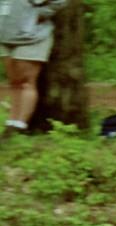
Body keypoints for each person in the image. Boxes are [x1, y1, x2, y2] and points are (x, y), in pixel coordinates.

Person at [0, 0, 66, 138]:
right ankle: (11, 123)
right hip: (4, 35)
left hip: (31, 37)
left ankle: (20, 125)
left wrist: (36, 15)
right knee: (14, 81)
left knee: (26, 82)